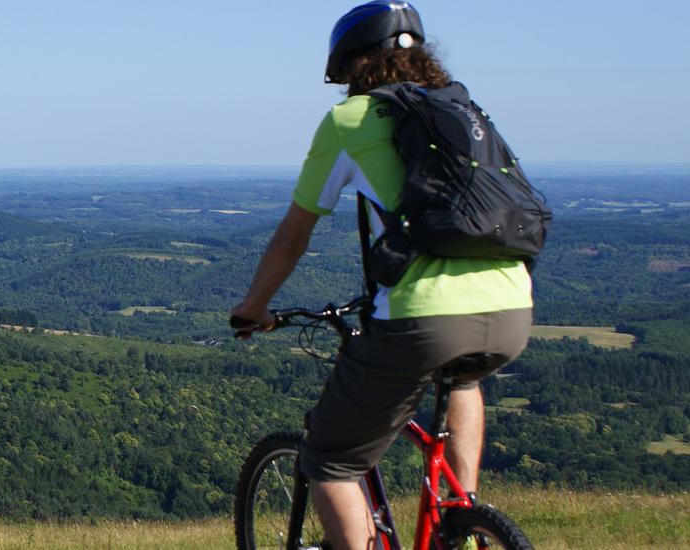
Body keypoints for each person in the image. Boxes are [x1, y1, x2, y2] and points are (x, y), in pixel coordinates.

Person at [228, 2, 534, 549]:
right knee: (461, 380)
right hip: (513, 304)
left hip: (424, 318)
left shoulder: (351, 120)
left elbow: (292, 237)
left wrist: (253, 308)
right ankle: (458, 520)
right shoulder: (466, 113)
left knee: (331, 460)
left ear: (353, 66)